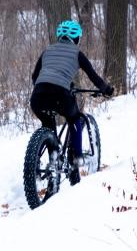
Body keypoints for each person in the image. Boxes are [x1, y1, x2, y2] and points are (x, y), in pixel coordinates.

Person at [30, 20, 113, 178]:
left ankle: (53, 157)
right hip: (61, 95)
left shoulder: (47, 51)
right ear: (76, 38)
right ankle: (76, 158)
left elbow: (35, 77)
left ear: (60, 36)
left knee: (48, 123)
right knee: (75, 119)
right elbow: (93, 76)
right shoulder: (76, 53)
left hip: (38, 96)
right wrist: (106, 89)